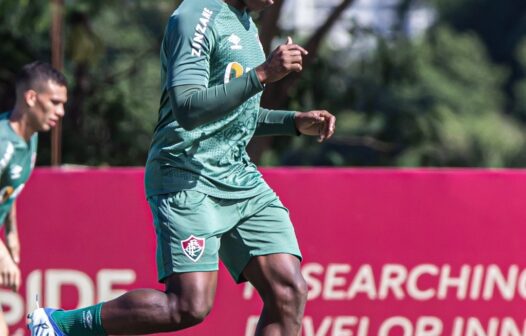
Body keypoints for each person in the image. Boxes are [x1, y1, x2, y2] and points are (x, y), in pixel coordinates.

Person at [28, 0, 335, 335]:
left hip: (239, 176)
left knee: (288, 291)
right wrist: (264, 74)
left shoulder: (246, 24)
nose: (274, 1)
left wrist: (293, 122)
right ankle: (62, 326)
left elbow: (236, 114)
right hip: (188, 174)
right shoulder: (194, 15)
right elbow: (188, 107)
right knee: (188, 307)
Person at [0, 61, 67, 334]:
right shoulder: (3, 143)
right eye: (54, 102)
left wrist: (12, 231)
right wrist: (2, 252)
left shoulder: (31, 138)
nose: (61, 111)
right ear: (30, 97)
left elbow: (7, 188)